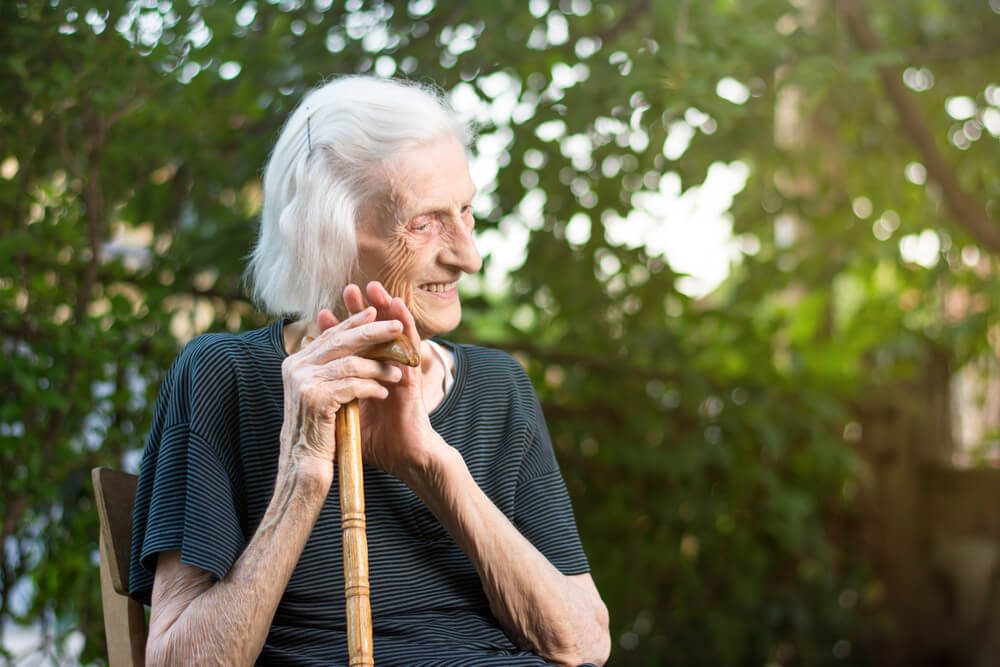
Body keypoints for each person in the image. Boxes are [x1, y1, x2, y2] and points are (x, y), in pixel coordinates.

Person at [128, 75, 610, 666]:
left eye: (466, 212)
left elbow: (583, 644)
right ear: (324, 236)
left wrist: (432, 467)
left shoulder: (497, 388)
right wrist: (303, 472)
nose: (469, 255)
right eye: (426, 221)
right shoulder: (223, 378)